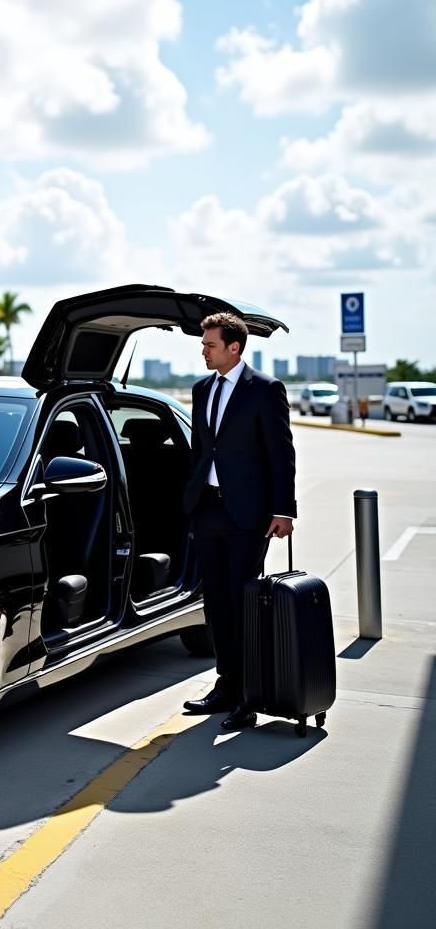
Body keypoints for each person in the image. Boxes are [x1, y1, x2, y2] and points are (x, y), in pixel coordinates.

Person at [182, 312, 296, 732]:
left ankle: (248, 696)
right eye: (203, 344)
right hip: (208, 510)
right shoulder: (201, 389)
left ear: (234, 347)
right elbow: (200, 450)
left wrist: (284, 510)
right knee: (215, 603)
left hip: (249, 516)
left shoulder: (265, 391)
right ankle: (225, 684)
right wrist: (191, 498)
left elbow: (281, 455)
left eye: (210, 344)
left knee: (240, 601)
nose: (203, 350)